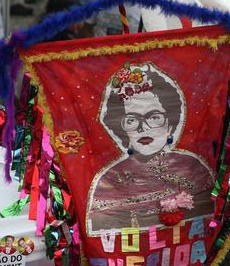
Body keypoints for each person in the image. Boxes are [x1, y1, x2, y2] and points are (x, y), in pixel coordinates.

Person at [88, 63, 214, 233]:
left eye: (154, 117)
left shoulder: (195, 168)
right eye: (131, 120)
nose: (143, 128)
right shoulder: (107, 180)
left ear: (170, 123)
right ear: (121, 129)